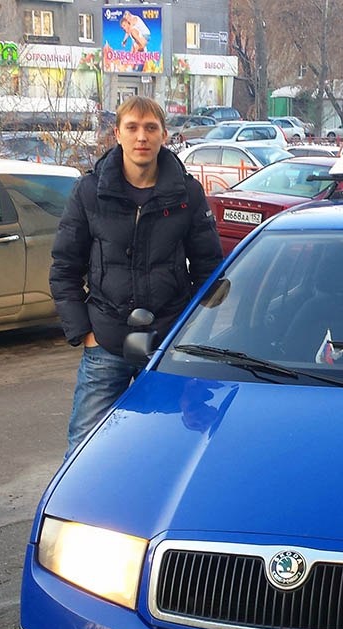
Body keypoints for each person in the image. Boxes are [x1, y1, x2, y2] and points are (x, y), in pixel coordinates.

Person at [50, 95, 224, 456]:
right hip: (106, 344)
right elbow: (65, 267)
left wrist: (189, 334)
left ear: (164, 135)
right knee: (85, 451)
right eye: (132, 127)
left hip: (168, 345)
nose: (141, 137)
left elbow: (210, 271)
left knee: (174, 447)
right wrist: (85, 333)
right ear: (117, 133)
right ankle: (85, 512)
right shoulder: (90, 192)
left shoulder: (186, 193)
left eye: (150, 128)